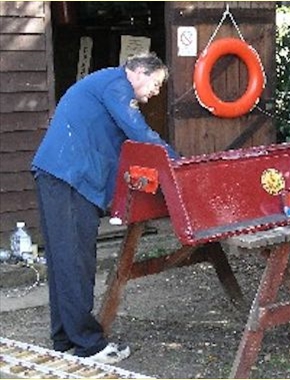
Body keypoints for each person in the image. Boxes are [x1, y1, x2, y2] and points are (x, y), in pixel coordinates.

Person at [32, 52, 180, 364]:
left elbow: (119, 152)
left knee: (63, 261)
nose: (154, 93)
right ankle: (89, 344)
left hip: (58, 175)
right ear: (139, 72)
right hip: (68, 177)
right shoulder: (117, 85)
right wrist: (177, 162)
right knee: (76, 261)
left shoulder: (104, 83)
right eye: (155, 85)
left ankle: (64, 339)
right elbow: (139, 134)